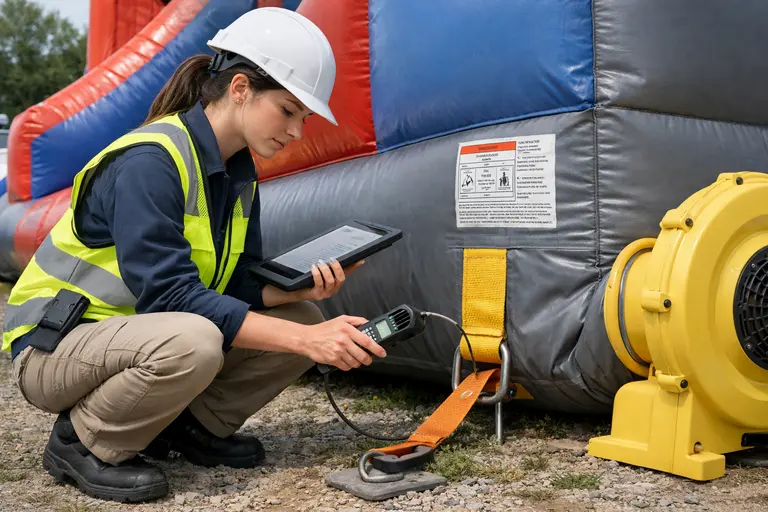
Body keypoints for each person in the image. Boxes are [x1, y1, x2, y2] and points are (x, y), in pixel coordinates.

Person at [1, 7, 386, 503]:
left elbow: (230, 283)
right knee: (202, 338)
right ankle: (84, 442)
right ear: (241, 88)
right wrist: (307, 342)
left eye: (303, 118)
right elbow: (169, 295)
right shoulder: (151, 162)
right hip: (53, 349)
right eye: (288, 111)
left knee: (301, 312)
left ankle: (187, 428)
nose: (296, 131)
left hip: (131, 337)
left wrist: (294, 290)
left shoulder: (237, 173)